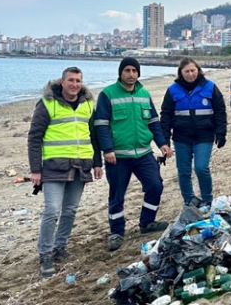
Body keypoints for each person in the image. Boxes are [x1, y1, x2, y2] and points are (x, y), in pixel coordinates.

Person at [27, 66, 103, 277]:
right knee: (52, 211)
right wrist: (35, 170)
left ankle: (60, 247)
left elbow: (94, 135)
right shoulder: (47, 104)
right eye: (71, 80)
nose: (75, 85)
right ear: (62, 82)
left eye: (78, 81)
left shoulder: (87, 103)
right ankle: (45, 253)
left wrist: (98, 163)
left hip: (81, 165)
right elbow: (34, 138)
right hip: (54, 166)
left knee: (70, 210)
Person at [94, 57, 173, 251]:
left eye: (134, 71)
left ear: (138, 73)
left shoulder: (144, 93)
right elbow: (101, 125)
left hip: (143, 153)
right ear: (120, 73)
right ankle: (117, 232)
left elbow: (153, 121)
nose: (131, 74)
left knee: (155, 186)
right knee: (117, 194)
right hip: (118, 156)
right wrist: (108, 149)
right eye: (127, 70)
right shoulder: (107, 94)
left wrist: (162, 144)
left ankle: (147, 223)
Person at [160, 57, 227, 205]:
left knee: (201, 168)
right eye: (187, 71)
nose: (190, 74)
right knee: (184, 172)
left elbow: (220, 111)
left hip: (204, 135)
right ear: (181, 73)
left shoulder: (210, 87)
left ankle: (207, 201)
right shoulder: (172, 90)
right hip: (181, 137)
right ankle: (189, 201)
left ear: (198, 70)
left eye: (193, 70)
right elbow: (165, 116)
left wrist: (221, 132)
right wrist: (164, 140)